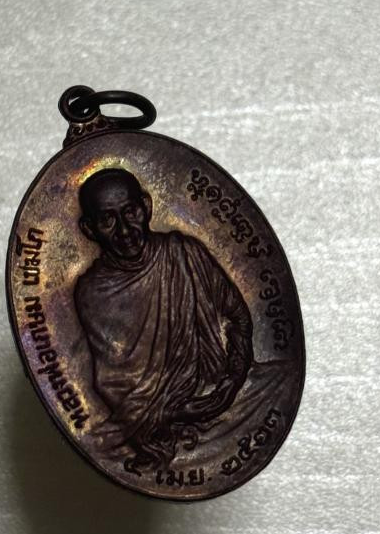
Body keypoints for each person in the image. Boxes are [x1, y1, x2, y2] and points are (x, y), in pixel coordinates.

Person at [74, 168, 254, 467]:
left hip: (227, 390)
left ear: (146, 206)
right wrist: (179, 412)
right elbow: (116, 387)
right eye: (107, 220)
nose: (124, 230)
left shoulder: (184, 254)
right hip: (159, 425)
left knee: (278, 382)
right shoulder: (94, 292)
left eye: (130, 212)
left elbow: (239, 319)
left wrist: (232, 382)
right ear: (89, 229)